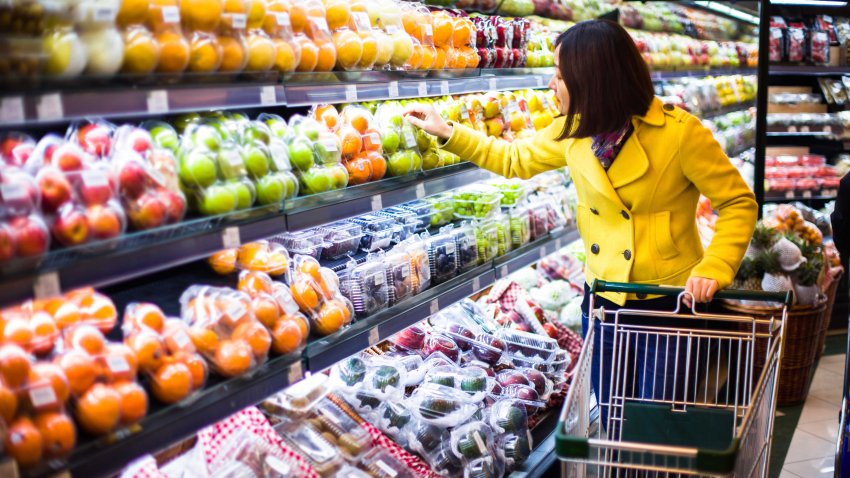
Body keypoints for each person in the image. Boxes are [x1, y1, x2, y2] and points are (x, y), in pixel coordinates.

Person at [403, 20, 758, 435]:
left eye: (559, 74)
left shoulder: (680, 135)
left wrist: (714, 267)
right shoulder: (573, 129)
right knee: (612, 419)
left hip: (668, 303)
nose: (551, 84)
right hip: (604, 300)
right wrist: (448, 131)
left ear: (593, 79)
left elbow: (737, 202)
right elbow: (515, 159)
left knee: (654, 426)